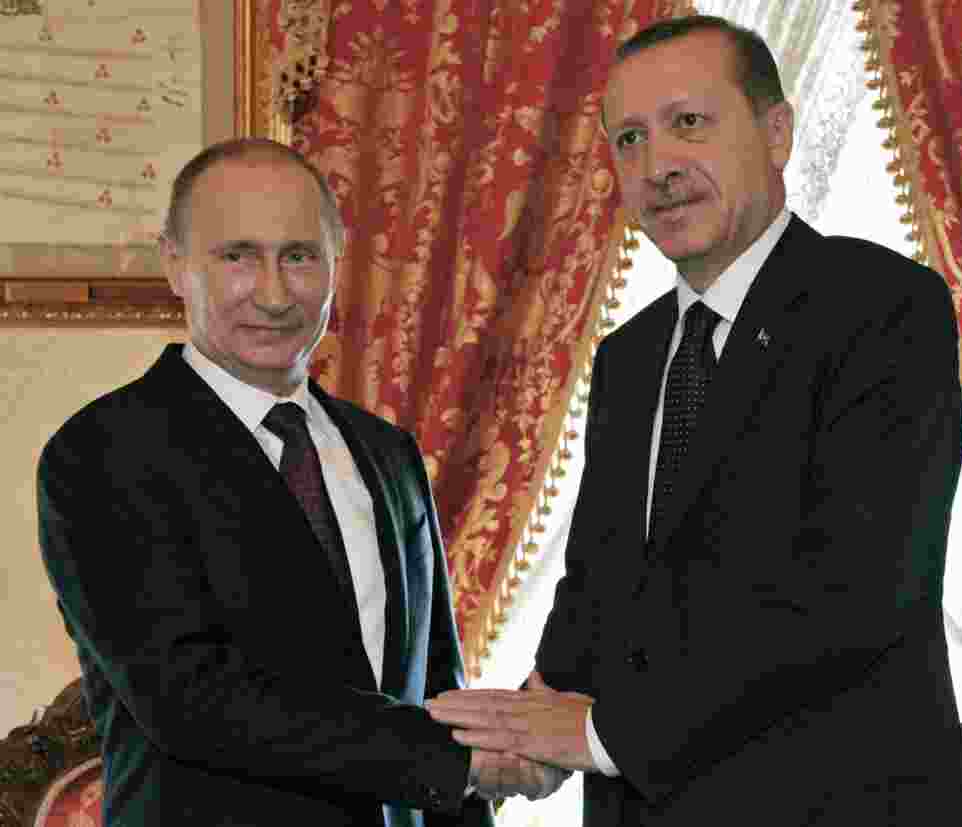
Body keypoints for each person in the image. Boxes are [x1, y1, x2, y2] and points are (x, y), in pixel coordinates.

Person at [426, 15, 962, 825]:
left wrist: (599, 733)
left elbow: (854, 595)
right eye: (629, 140)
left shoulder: (883, 308)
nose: (658, 167)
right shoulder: (628, 356)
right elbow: (598, 591)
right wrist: (528, 724)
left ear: (777, 132)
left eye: (688, 124)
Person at [37, 138, 567, 827]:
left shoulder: (388, 455)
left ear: (335, 264)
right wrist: (453, 760)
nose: (275, 292)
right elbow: (193, 698)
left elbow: (438, 689)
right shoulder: (103, 454)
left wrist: (473, 769)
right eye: (238, 256)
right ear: (174, 264)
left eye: (299, 255)